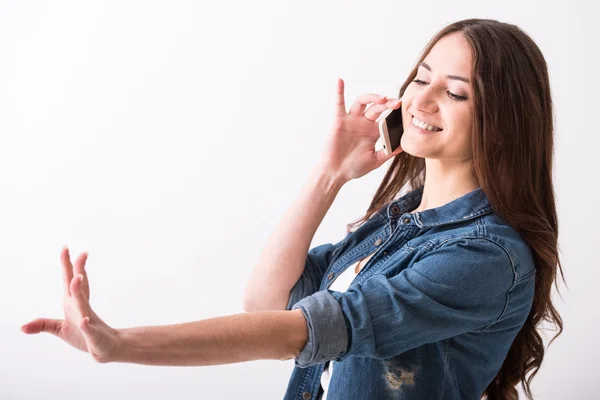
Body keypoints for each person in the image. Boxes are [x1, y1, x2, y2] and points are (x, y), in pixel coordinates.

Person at [21, 17, 563, 400]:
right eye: (421, 77)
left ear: (504, 119)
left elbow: (298, 331)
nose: (420, 100)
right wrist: (329, 175)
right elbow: (269, 302)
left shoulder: (487, 255)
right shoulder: (403, 221)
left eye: (456, 93)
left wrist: (120, 345)